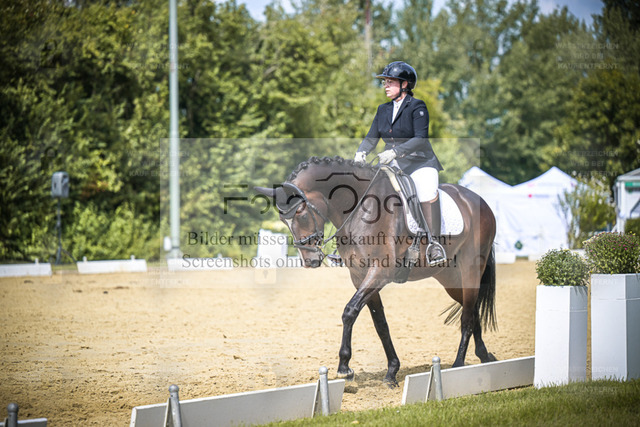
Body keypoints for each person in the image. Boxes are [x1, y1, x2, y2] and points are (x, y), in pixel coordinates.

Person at [354, 61, 446, 266]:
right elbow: (371, 137)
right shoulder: (383, 109)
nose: (385, 86)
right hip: (394, 164)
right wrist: (361, 152)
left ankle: (434, 244)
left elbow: (420, 138)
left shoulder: (417, 106)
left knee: (426, 192)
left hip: (420, 163)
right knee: (367, 188)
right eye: (384, 82)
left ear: (404, 84)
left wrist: (395, 152)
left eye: (390, 82)